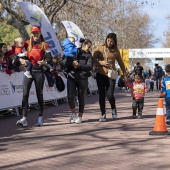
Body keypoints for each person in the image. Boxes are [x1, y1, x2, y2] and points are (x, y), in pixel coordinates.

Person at [16, 26, 50, 127]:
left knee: (39, 95)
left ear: (40, 33)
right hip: (28, 71)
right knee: (25, 94)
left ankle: (40, 117)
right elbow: (18, 54)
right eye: (33, 33)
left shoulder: (44, 44)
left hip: (39, 71)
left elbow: (50, 59)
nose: (35, 35)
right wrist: (21, 60)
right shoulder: (27, 43)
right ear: (31, 34)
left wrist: (45, 62)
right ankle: (24, 119)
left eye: (37, 33)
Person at [93, 33, 126, 122]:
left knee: (110, 95)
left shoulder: (115, 51)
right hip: (100, 74)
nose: (109, 43)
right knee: (102, 95)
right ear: (106, 39)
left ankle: (113, 108)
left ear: (114, 42)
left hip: (111, 75)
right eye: (108, 40)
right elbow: (92, 59)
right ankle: (103, 114)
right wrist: (101, 63)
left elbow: (121, 63)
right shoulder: (100, 48)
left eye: (112, 41)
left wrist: (125, 74)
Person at [65, 38, 93, 124]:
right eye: (88, 47)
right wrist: (72, 64)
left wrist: (79, 66)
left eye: (90, 47)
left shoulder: (89, 55)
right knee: (70, 96)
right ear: (83, 45)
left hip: (83, 78)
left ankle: (80, 116)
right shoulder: (74, 51)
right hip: (71, 77)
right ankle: (73, 113)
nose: (89, 49)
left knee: (81, 97)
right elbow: (65, 63)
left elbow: (89, 67)